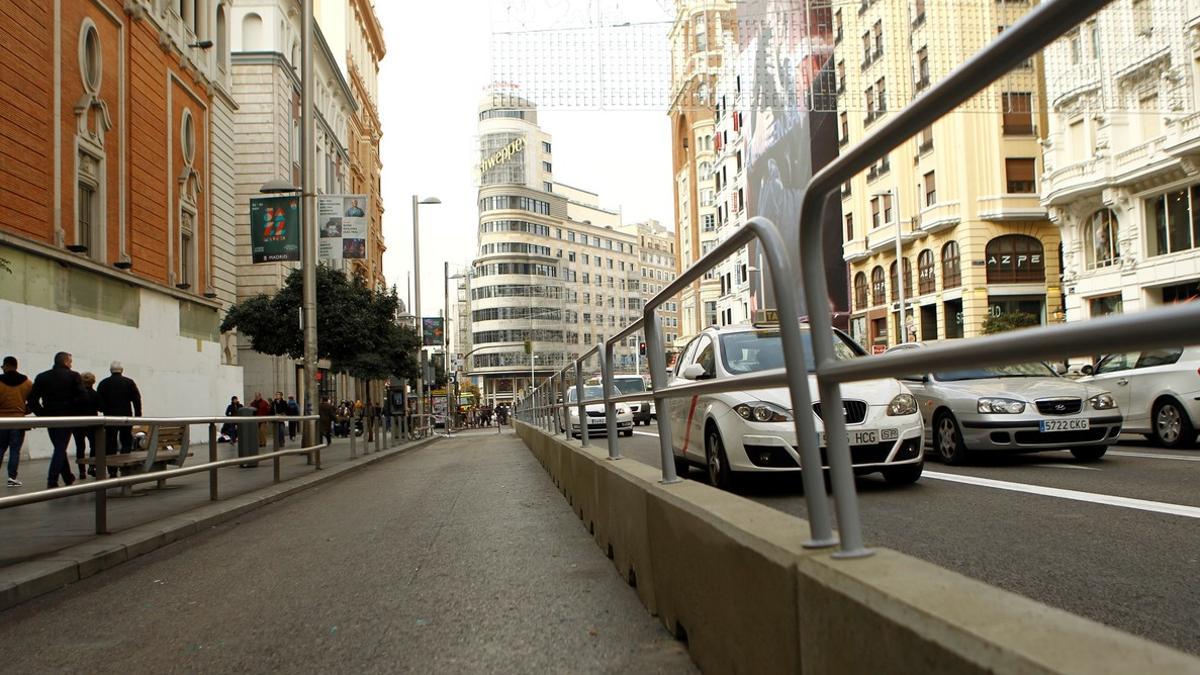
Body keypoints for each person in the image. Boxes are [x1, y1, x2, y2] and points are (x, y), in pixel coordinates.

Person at [26, 352, 84, 488]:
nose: (71, 364)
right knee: (60, 446)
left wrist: (42, 414)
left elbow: (32, 399)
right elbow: (82, 396)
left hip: (50, 416)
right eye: (70, 362)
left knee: (59, 445)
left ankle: (67, 476)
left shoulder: (42, 377)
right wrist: (73, 408)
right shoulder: (73, 376)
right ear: (65, 362)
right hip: (67, 417)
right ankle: (52, 480)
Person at [96, 361, 143, 479]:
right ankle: (125, 466)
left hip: (110, 417)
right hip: (126, 416)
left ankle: (112, 470)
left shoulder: (104, 383)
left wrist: (103, 409)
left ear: (110, 371)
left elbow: (99, 400)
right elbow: (136, 399)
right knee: (126, 441)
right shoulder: (129, 382)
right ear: (121, 370)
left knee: (110, 442)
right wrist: (137, 415)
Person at [0, 356, 33, 487]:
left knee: (0, 448)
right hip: (19, 420)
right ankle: (12, 477)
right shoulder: (27, 382)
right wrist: (25, 411)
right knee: (15, 450)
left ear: (6, 366)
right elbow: (32, 401)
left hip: (1, 421)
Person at [73, 372, 101, 479]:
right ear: (93, 382)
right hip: (92, 423)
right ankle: (92, 466)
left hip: (78, 423)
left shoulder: (76, 394)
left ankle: (82, 471)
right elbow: (101, 408)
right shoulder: (95, 394)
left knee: (80, 447)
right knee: (93, 445)